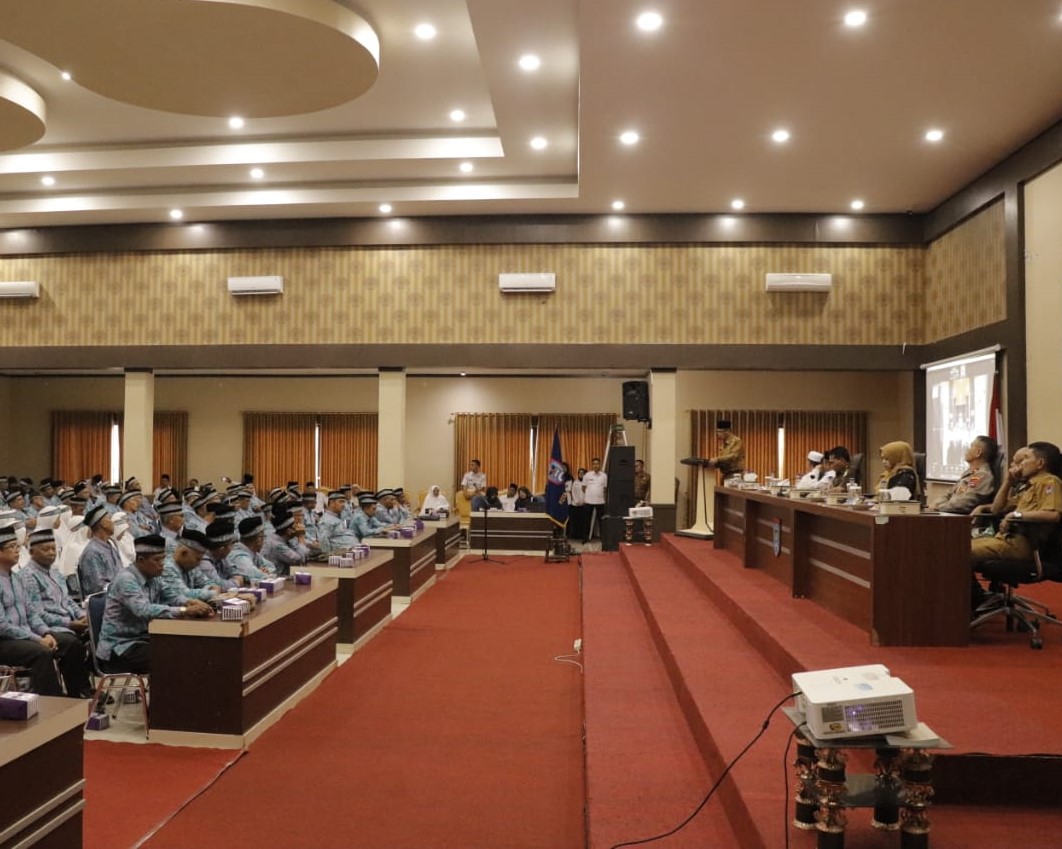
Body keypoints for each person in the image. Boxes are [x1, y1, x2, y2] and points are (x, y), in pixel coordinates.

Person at [96, 534, 213, 674]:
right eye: (157, 559)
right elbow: (143, 610)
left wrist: (190, 602)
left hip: (144, 639)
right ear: (141, 560)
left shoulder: (154, 577)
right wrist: (184, 610)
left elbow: (171, 596)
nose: (162, 563)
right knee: (173, 657)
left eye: (163, 558)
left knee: (188, 647)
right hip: (120, 646)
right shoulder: (126, 579)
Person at [1, 526, 92, 697]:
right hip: (5, 640)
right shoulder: (24, 576)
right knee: (42, 652)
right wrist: (37, 638)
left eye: (17, 546)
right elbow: (3, 626)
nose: (17, 550)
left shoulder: (15, 578)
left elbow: (31, 613)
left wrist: (45, 633)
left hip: (25, 634)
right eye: (12, 547)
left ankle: (78, 693)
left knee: (74, 641)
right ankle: (52, 701)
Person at [971, 442, 1062, 565]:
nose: (1021, 464)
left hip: (1023, 545)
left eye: (1026, 458)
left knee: (961, 550)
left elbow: (1053, 515)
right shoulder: (1028, 486)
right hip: (1005, 539)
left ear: (1040, 463)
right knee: (958, 544)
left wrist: (1016, 515)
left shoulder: (1049, 481)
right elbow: (996, 509)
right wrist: (1008, 482)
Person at [932, 435, 998, 514]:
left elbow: (966, 502)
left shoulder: (982, 475)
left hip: (962, 517)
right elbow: (949, 494)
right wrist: (935, 504)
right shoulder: (969, 473)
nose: (967, 449)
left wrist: (940, 507)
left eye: (971, 446)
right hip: (950, 512)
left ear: (978, 452)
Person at [77, 503, 124, 595]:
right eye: (110, 518)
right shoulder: (92, 552)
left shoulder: (110, 545)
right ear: (103, 524)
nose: (113, 522)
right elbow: (97, 587)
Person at [582, 458, 608, 542]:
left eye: (597, 464)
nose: (595, 465)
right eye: (594, 464)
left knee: (601, 521)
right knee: (586, 520)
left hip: (600, 501)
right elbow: (583, 487)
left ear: (600, 465)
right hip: (588, 501)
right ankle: (585, 538)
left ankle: (603, 538)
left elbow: (605, 488)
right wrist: (590, 494)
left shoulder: (604, 476)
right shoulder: (587, 475)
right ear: (592, 465)